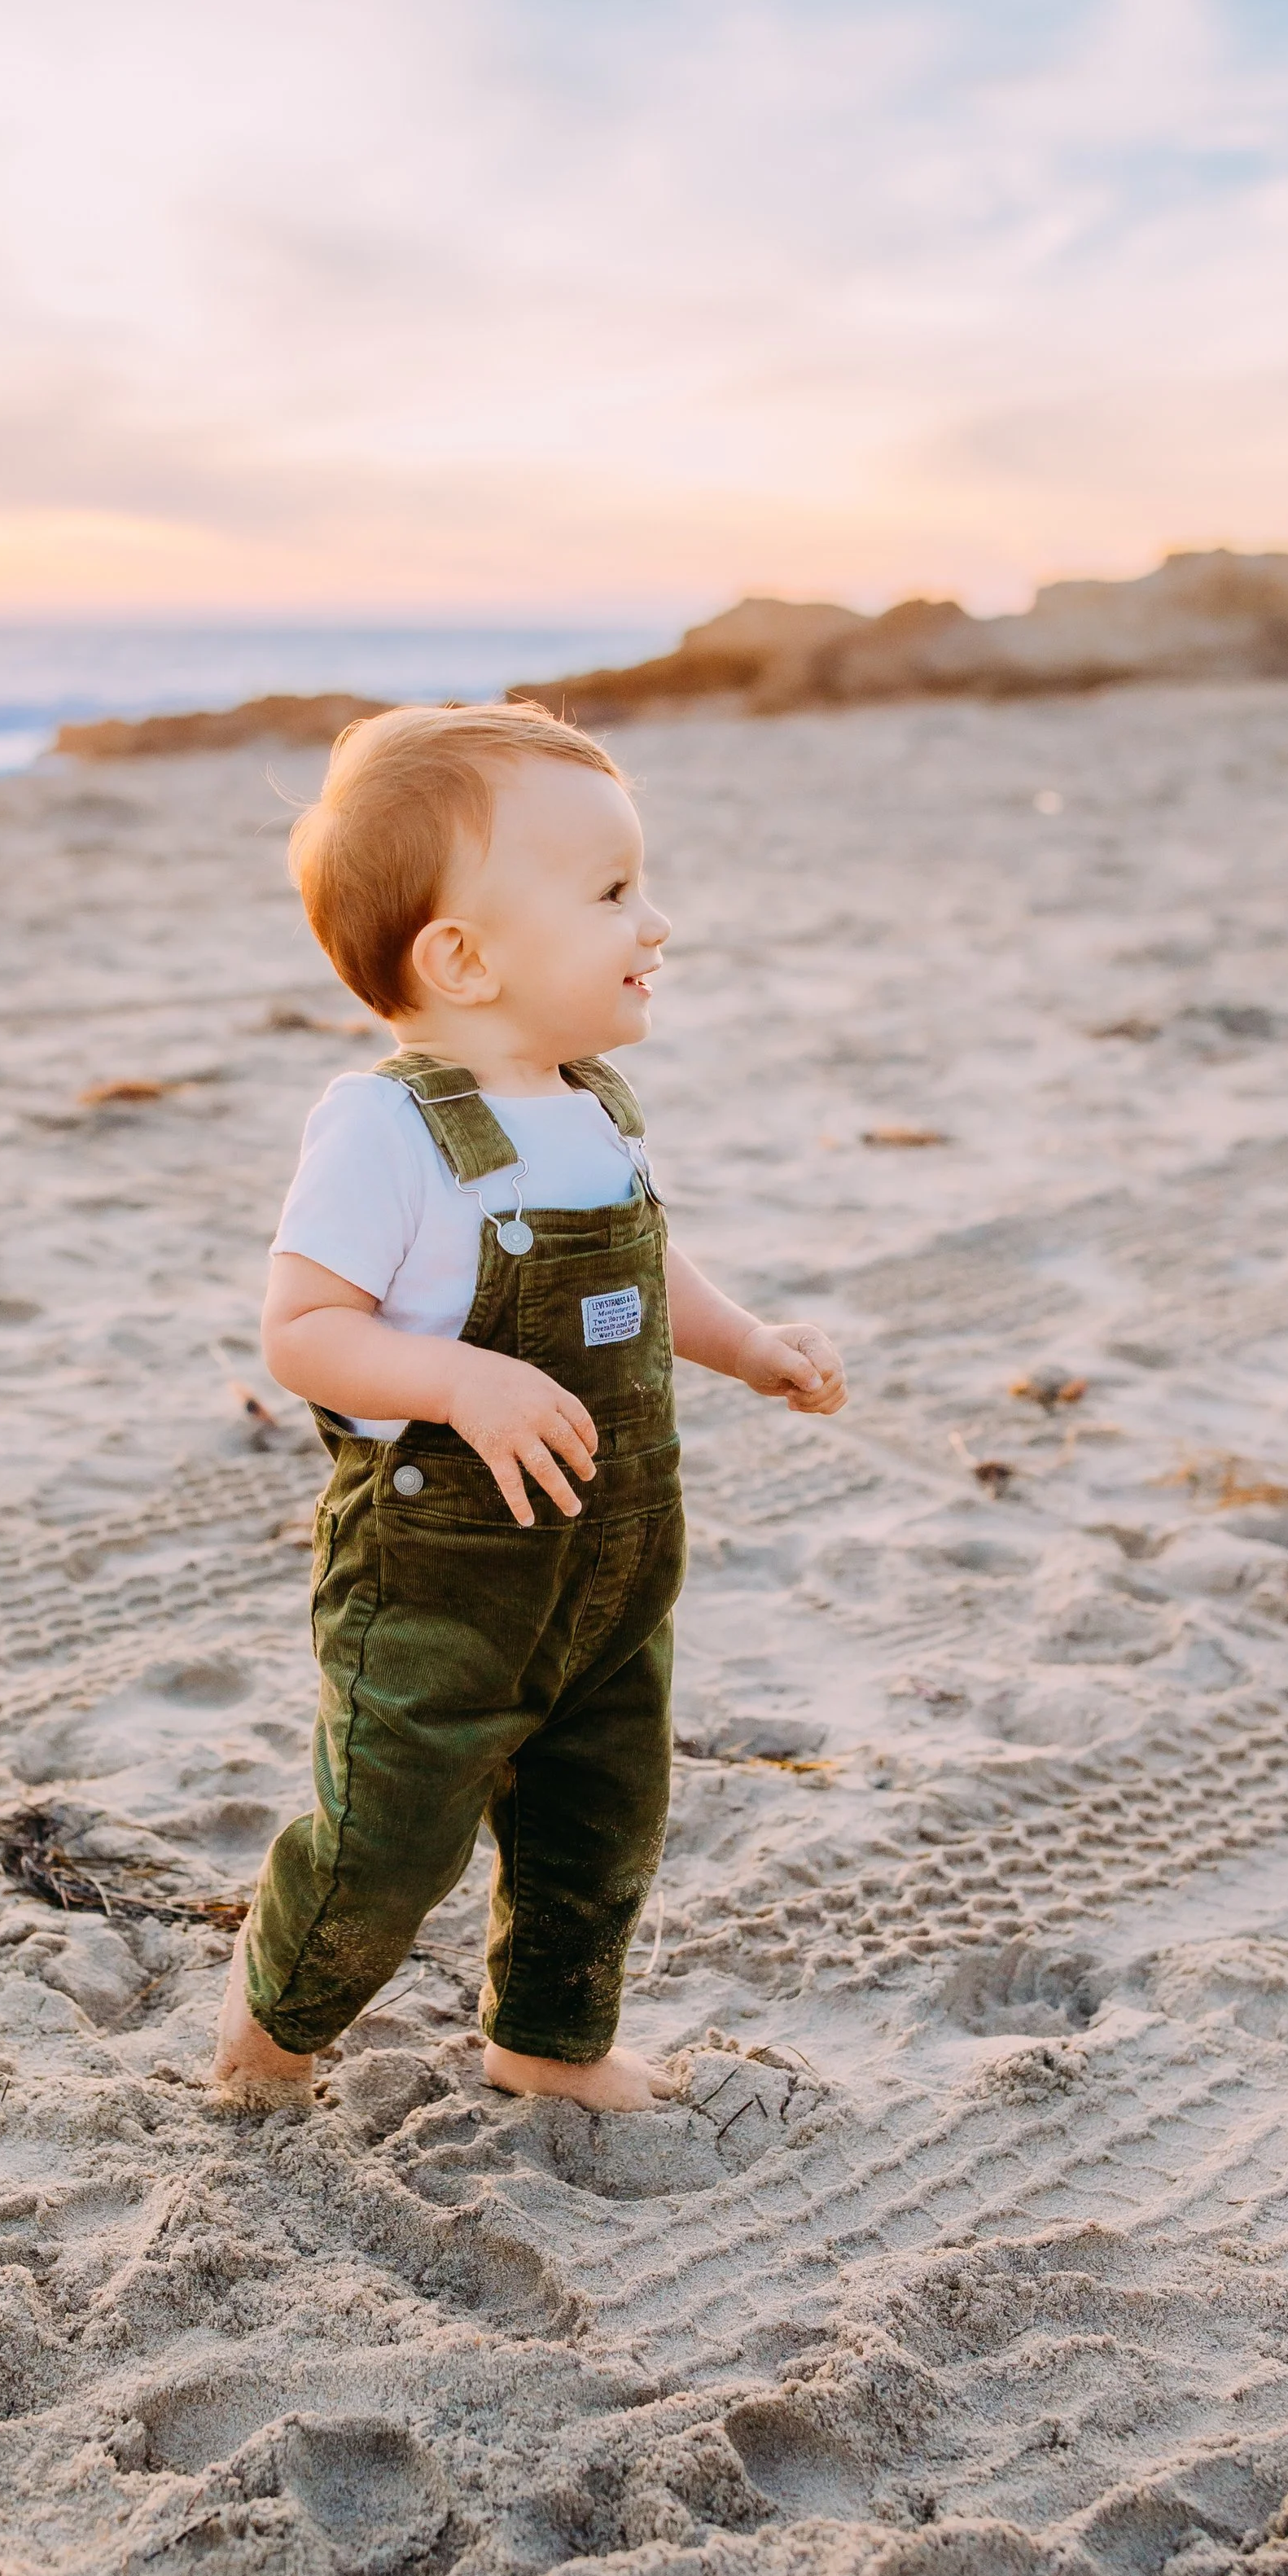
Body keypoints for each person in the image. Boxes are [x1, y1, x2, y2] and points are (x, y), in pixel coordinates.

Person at [213, 702, 847, 2111]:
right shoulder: (386, 1128)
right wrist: (457, 1376)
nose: (657, 920)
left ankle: (549, 2039)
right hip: (442, 1585)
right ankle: (276, 2030)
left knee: (601, 1823)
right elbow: (304, 1331)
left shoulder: (597, 1108)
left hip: (614, 1571)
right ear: (464, 957)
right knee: (391, 1834)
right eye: (614, 891)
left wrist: (743, 1344)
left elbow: (642, 1266)